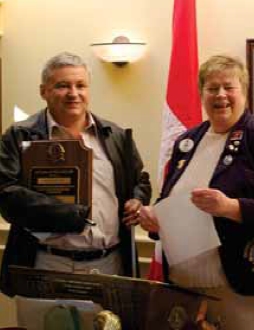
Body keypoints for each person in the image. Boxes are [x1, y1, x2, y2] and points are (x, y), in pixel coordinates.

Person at [138, 55, 254, 330]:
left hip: (248, 282)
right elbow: (170, 201)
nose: (221, 95)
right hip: (186, 286)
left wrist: (230, 207)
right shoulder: (187, 141)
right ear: (201, 94)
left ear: (243, 91)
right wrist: (155, 221)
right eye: (212, 88)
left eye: (229, 87)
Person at [0, 52, 151, 297]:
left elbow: (140, 180)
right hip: (47, 263)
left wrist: (138, 199)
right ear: (44, 91)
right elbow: (6, 195)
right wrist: (73, 216)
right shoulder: (20, 135)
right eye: (62, 86)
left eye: (80, 85)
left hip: (110, 264)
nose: (73, 93)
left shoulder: (115, 135)